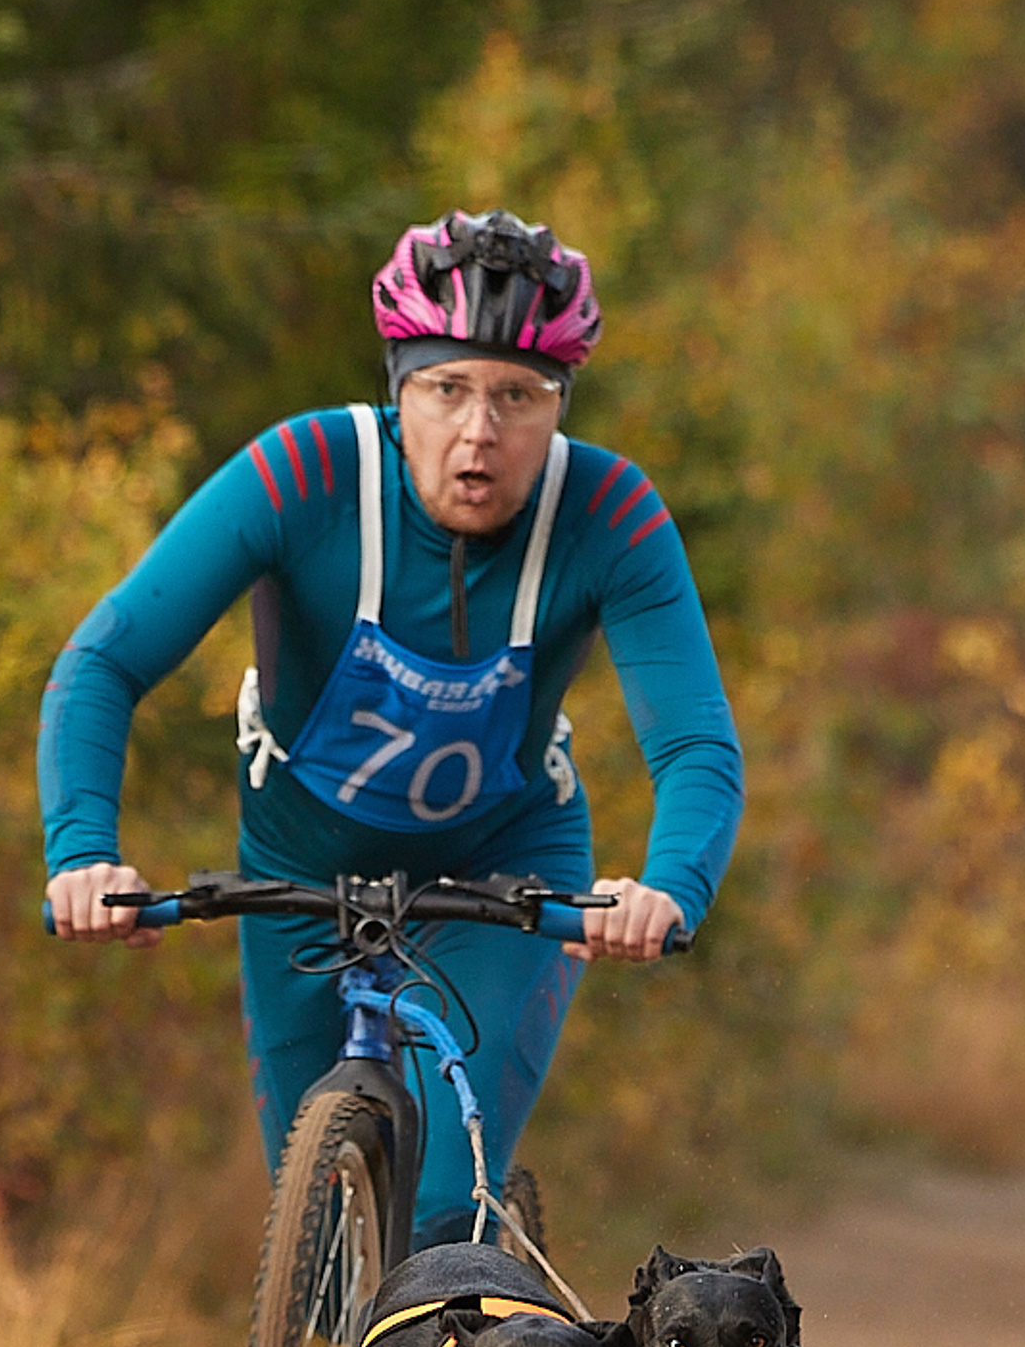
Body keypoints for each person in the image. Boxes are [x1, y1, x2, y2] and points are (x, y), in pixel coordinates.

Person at [39, 209, 743, 1247]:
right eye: (447, 388)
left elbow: (693, 744)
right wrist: (84, 856)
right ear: (397, 389)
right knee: (318, 1250)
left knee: (440, 1211)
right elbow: (103, 662)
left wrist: (665, 887)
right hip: (297, 861)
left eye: (518, 396)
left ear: (560, 407)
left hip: (506, 869)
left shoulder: (608, 513)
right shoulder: (303, 473)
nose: (479, 431)